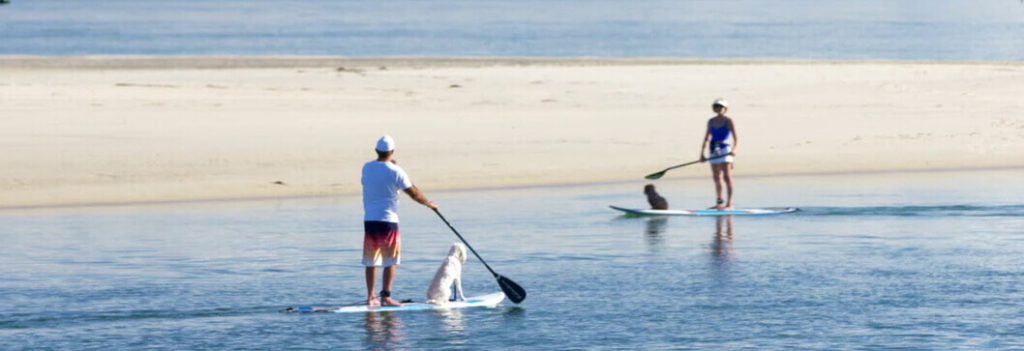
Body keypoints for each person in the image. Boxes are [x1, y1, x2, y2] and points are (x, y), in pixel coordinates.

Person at [361, 135, 437, 307]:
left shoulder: (367, 167)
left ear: (376, 151)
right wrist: (429, 203)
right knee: (391, 260)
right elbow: (413, 193)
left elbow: (367, 181)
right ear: (392, 151)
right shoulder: (397, 171)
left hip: (370, 220)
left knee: (372, 260)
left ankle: (371, 297)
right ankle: (386, 297)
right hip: (388, 221)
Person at [699, 98, 738, 210]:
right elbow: (707, 138)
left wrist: (734, 149)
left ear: (725, 109)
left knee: (727, 176)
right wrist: (702, 153)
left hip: (725, 150)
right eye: (716, 107)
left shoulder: (728, 121)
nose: (718, 109)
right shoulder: (711, 121)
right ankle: (719, 203)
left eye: (721, 107)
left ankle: (730, 204)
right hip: (713, 150)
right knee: (717, 178)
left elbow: (736, 138)